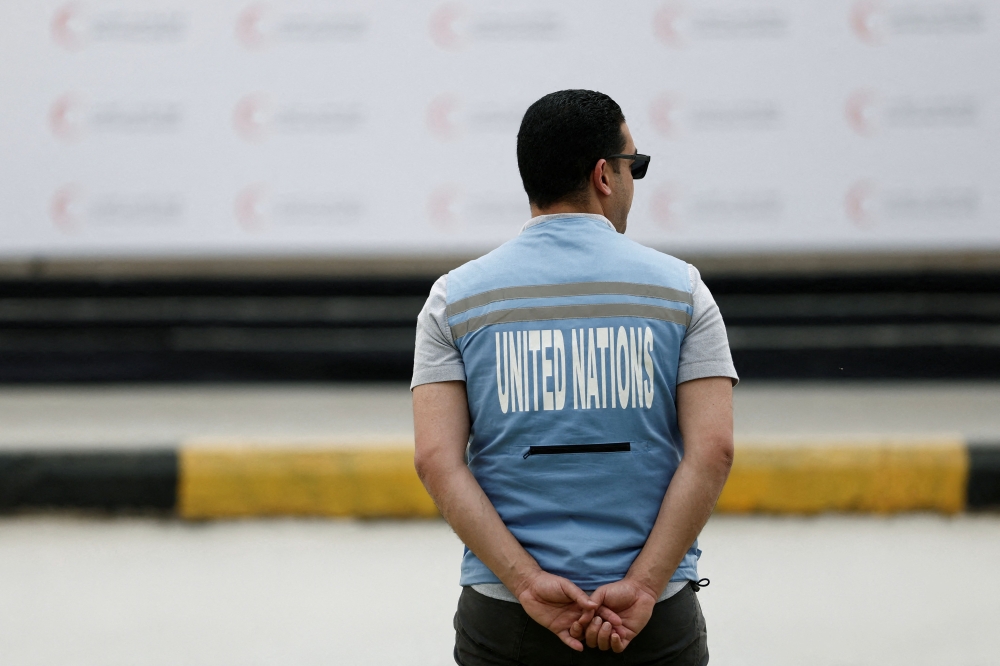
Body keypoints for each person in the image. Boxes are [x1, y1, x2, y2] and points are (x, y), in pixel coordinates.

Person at [411, 89, 738, 665]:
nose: (635, 179)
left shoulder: (453, 300)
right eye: (634, 164)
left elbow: (437, 461)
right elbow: (712, 451)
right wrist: (642, 584)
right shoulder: (682, 291)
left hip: (508, 618)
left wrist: (527, 583)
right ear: (603, 175)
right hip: (651, 620)